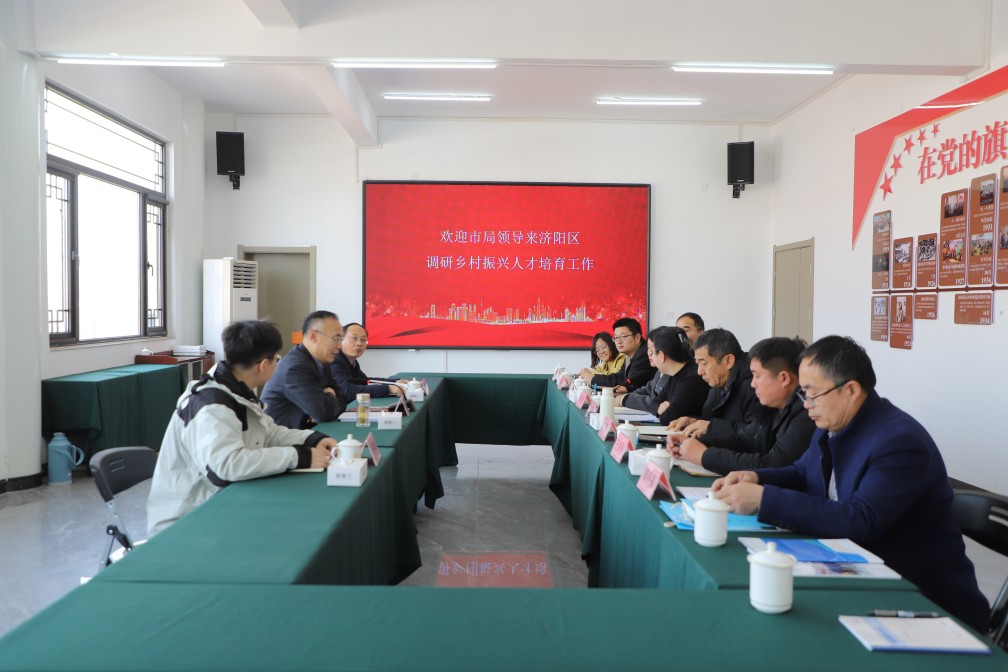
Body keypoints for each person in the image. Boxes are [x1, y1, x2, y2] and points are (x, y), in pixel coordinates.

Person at [712, 336, 989, 631]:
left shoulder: (899, 442)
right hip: (861, 571)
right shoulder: (832, 423)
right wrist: (756, 477)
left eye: (812, 393)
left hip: (922, 601)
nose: (806, 404)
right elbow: (802, 473)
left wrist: (763, 499)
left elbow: (861, 519)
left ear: (851, 390)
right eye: (803, 394)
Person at [147, 320, 336, 535]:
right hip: (187, 519)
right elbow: (227, 466)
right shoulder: (211, 405)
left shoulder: (235, 388)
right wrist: (298, 457)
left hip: (221, 500)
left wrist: (312, 439)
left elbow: (269, 432)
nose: (277, 364)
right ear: (262, 365)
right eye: (276, 359)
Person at [670, 336, 815, 474]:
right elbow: (746, 439)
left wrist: (704, 455)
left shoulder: (806, 413)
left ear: (784, 378)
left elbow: (774, 464)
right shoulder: (776, 408)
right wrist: (696, 443)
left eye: (757, 376)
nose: (753, 384)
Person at [669, 328, 771, 437]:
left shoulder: (754, 386)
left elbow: (758, 434)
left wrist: (711, 428)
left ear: (728, 361)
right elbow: (713, 422)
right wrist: (694, 422)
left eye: (704, 363)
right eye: (697, 364)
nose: (699, 372)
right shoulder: (719, 383)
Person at [261, 310, 348, 429]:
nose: (340, 346)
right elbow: (325, 412)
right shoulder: (296, 367)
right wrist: (330, 394)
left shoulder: (322, 361)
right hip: (282, 437)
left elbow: (343, 397)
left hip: (305, 431)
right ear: (314, 336)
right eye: (336, 339)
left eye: (341, 339)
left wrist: (327, 399)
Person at [620, 326, 708, 424]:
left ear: (661, 356)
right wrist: (659, 407)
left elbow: (667, 418)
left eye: (653, 352)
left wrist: (662, 409)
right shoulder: (674, 375)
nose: (650, 355)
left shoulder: (692, 377)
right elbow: (656, 402)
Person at [330, 323, 408, 399]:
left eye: (363, 340)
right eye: (354, 338)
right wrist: (388, 389)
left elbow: (365, 381)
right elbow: (347, 390)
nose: (359, 343)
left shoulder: (351, 362)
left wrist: (395, 382)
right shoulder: (334, 361)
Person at [587, 317, 656, 394]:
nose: (618, 341)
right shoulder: (629, 355)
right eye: (616, 337)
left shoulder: (644, 354)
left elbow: (626, 382)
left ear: (637, 337)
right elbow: (619, 376)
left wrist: (593, 379)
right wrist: (593, 377)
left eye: (623, 336)